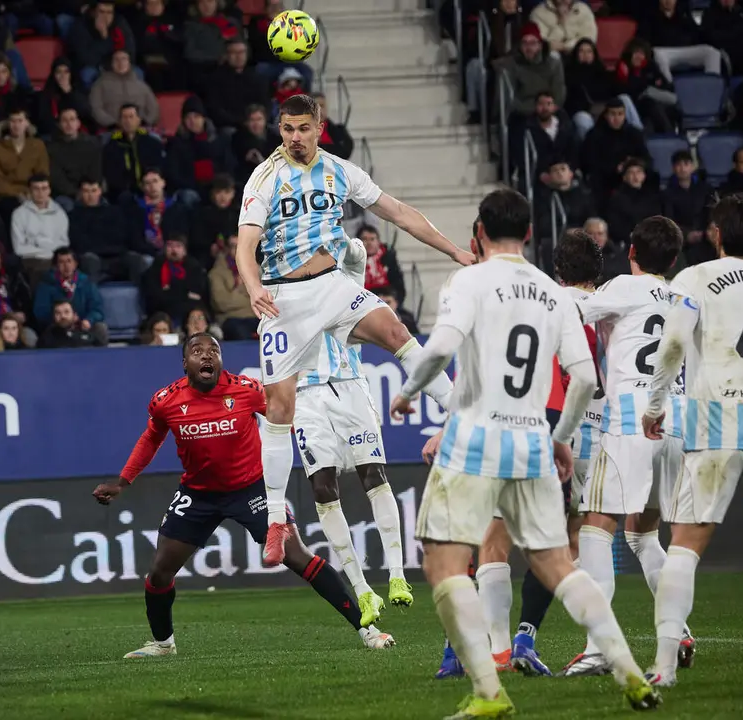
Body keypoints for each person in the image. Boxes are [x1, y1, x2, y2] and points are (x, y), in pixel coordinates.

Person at [389, 188, 660, 717]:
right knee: (559, 563)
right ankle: (630, 674)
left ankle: (489, 692)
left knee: (444, 562)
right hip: (534, 439)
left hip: (474, 439)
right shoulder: (553, 293)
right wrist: (561, 439)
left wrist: (406, 393)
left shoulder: (468, 279)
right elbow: (584, 376)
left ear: (480, 232)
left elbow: (441, 347)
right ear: (530, 234)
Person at [235, 93, 466, 566]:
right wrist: (253, 286)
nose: (294, 138)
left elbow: (398, 212)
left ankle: (463, 415)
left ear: (319, 125)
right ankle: (276, 519)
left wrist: (455, 252)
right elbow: (245, 244)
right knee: (279, 407)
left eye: (302, 128)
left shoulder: (340, 170)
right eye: (286, 129)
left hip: (334, 287)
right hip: (284, 300)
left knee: (398, 333)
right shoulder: (265, 176)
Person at [92, 333, 394, 659]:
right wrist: (124, 481)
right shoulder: (166, 401)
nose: (207, 356)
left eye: (214, 351)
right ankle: (164, 645)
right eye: (197, 351)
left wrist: (324, 443)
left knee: (298, 555)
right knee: (160, 572)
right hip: (198, 494)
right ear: (185, 363)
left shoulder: (246, 390)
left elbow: (286, 417)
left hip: (252, 490)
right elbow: (151, 439)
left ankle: (368, 631)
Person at [640, 193, 743, 686]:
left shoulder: (696, 277)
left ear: (718, 235)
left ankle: (663, 669)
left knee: (684, 546)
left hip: (718, 419)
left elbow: (674, 343)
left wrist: (655, 405)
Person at [565, 216, 694, 678]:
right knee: (643, 535)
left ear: (632, 251)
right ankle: (677, 630)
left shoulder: (623, 286)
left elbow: (575, 311)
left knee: (595, 529)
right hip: (676, 422)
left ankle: (598, 648)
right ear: (673, 259)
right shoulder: (683, 297)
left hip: (631, 417)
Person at [292, 330, 418, 626]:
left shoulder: (343, 283)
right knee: (322, 488)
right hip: (303, 394)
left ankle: (397, 575)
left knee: (373, 473)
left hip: (350, 383)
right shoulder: (277, 292)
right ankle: (363, 591)